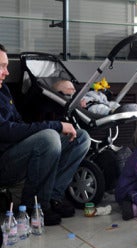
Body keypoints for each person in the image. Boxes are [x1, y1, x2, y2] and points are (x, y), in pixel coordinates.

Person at [0, 43, 91, 225]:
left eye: (6, 66)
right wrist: (55, 126)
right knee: (48, 139)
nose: (7, 72)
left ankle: (53, 197)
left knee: (80, 138)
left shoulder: (3, 90)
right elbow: (5, 132)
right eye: (2, 66)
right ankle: (35, 206)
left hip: (16, 151)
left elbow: (18, 123)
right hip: (4, 162)